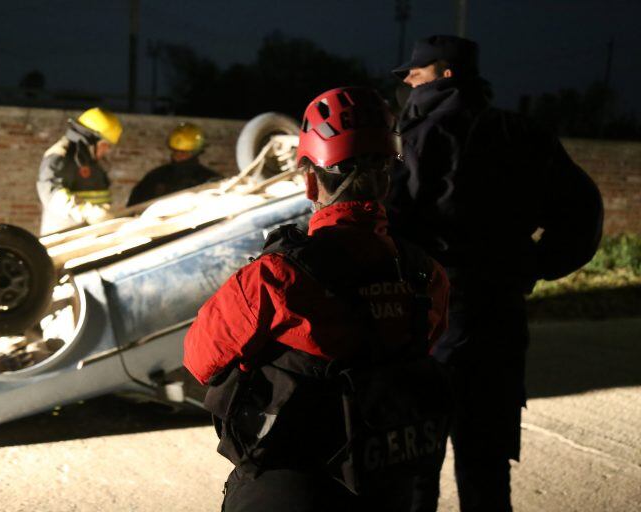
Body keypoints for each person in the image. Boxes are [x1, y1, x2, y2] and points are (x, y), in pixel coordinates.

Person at [183, 86, 451, 511]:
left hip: (292, 489)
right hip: (391, 488)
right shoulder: (426, 275)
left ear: (310, 180)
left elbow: (199, 358)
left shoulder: (276, 276)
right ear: (385, 178)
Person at [388, 35, 604, 512]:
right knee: (486, 468)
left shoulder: (413, 141)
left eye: (415, 73)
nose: (406, 81)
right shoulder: (523, 135)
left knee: (413, 470)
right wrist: (533, 265)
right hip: (499, 321)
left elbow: (386, 228)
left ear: (445, 74)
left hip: (425, 325)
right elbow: (583, 212)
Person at [37, 107, 122, 235]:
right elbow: (51, 193)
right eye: (105, 145)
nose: (106, 150)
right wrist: (88, 212)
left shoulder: (90, 159)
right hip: (64, 238)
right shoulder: (59, 157)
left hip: (92, 234)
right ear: (91, 139)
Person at [126, 122, 220, 206]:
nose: (178, 156)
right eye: (176, 151)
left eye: (184, 152)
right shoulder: (155, 177)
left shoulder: (209, 180)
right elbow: (135, 206)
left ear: (195, 153)